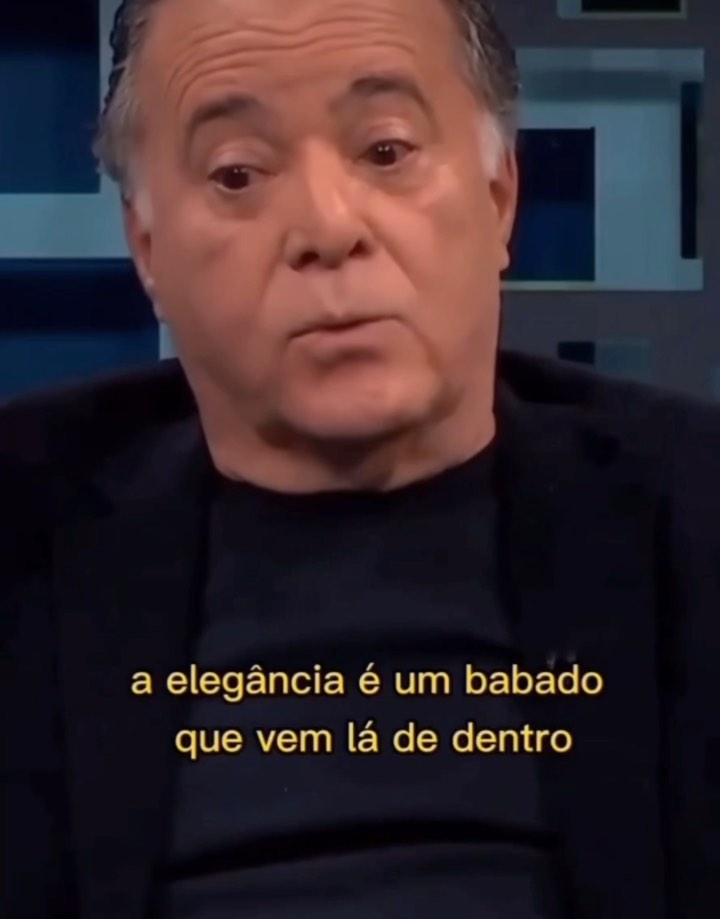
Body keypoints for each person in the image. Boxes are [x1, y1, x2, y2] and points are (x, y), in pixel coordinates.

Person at [1, 0, 718, 916]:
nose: (329, 226)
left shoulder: (695, 516)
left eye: (386, 150)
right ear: (148, 249)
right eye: (237, 172)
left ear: (499, 196)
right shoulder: (23, 526)